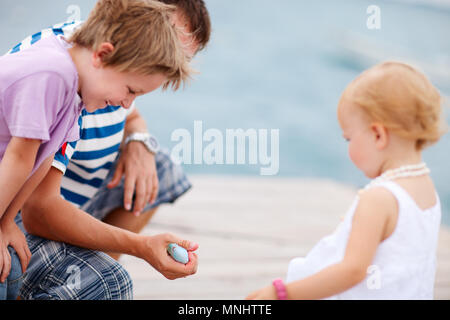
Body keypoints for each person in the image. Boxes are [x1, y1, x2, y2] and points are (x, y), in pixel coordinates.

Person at [10, 0, 211, 300]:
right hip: (19, 208)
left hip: (57, 197)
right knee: (108, 281)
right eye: (169, 44)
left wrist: (139, 140)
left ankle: (82, 273)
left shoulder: (110, 67)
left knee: (158, 168)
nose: (170, 63)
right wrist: (141, 247)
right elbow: (37, 208)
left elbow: (131, 115)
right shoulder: (65, 76)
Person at [247, 61, 447, 300]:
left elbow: (351, 271)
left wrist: (282, 293)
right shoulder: (427, 190)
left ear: (378, 134)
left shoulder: (379, 198)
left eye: (348, 138)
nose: (348, 147)